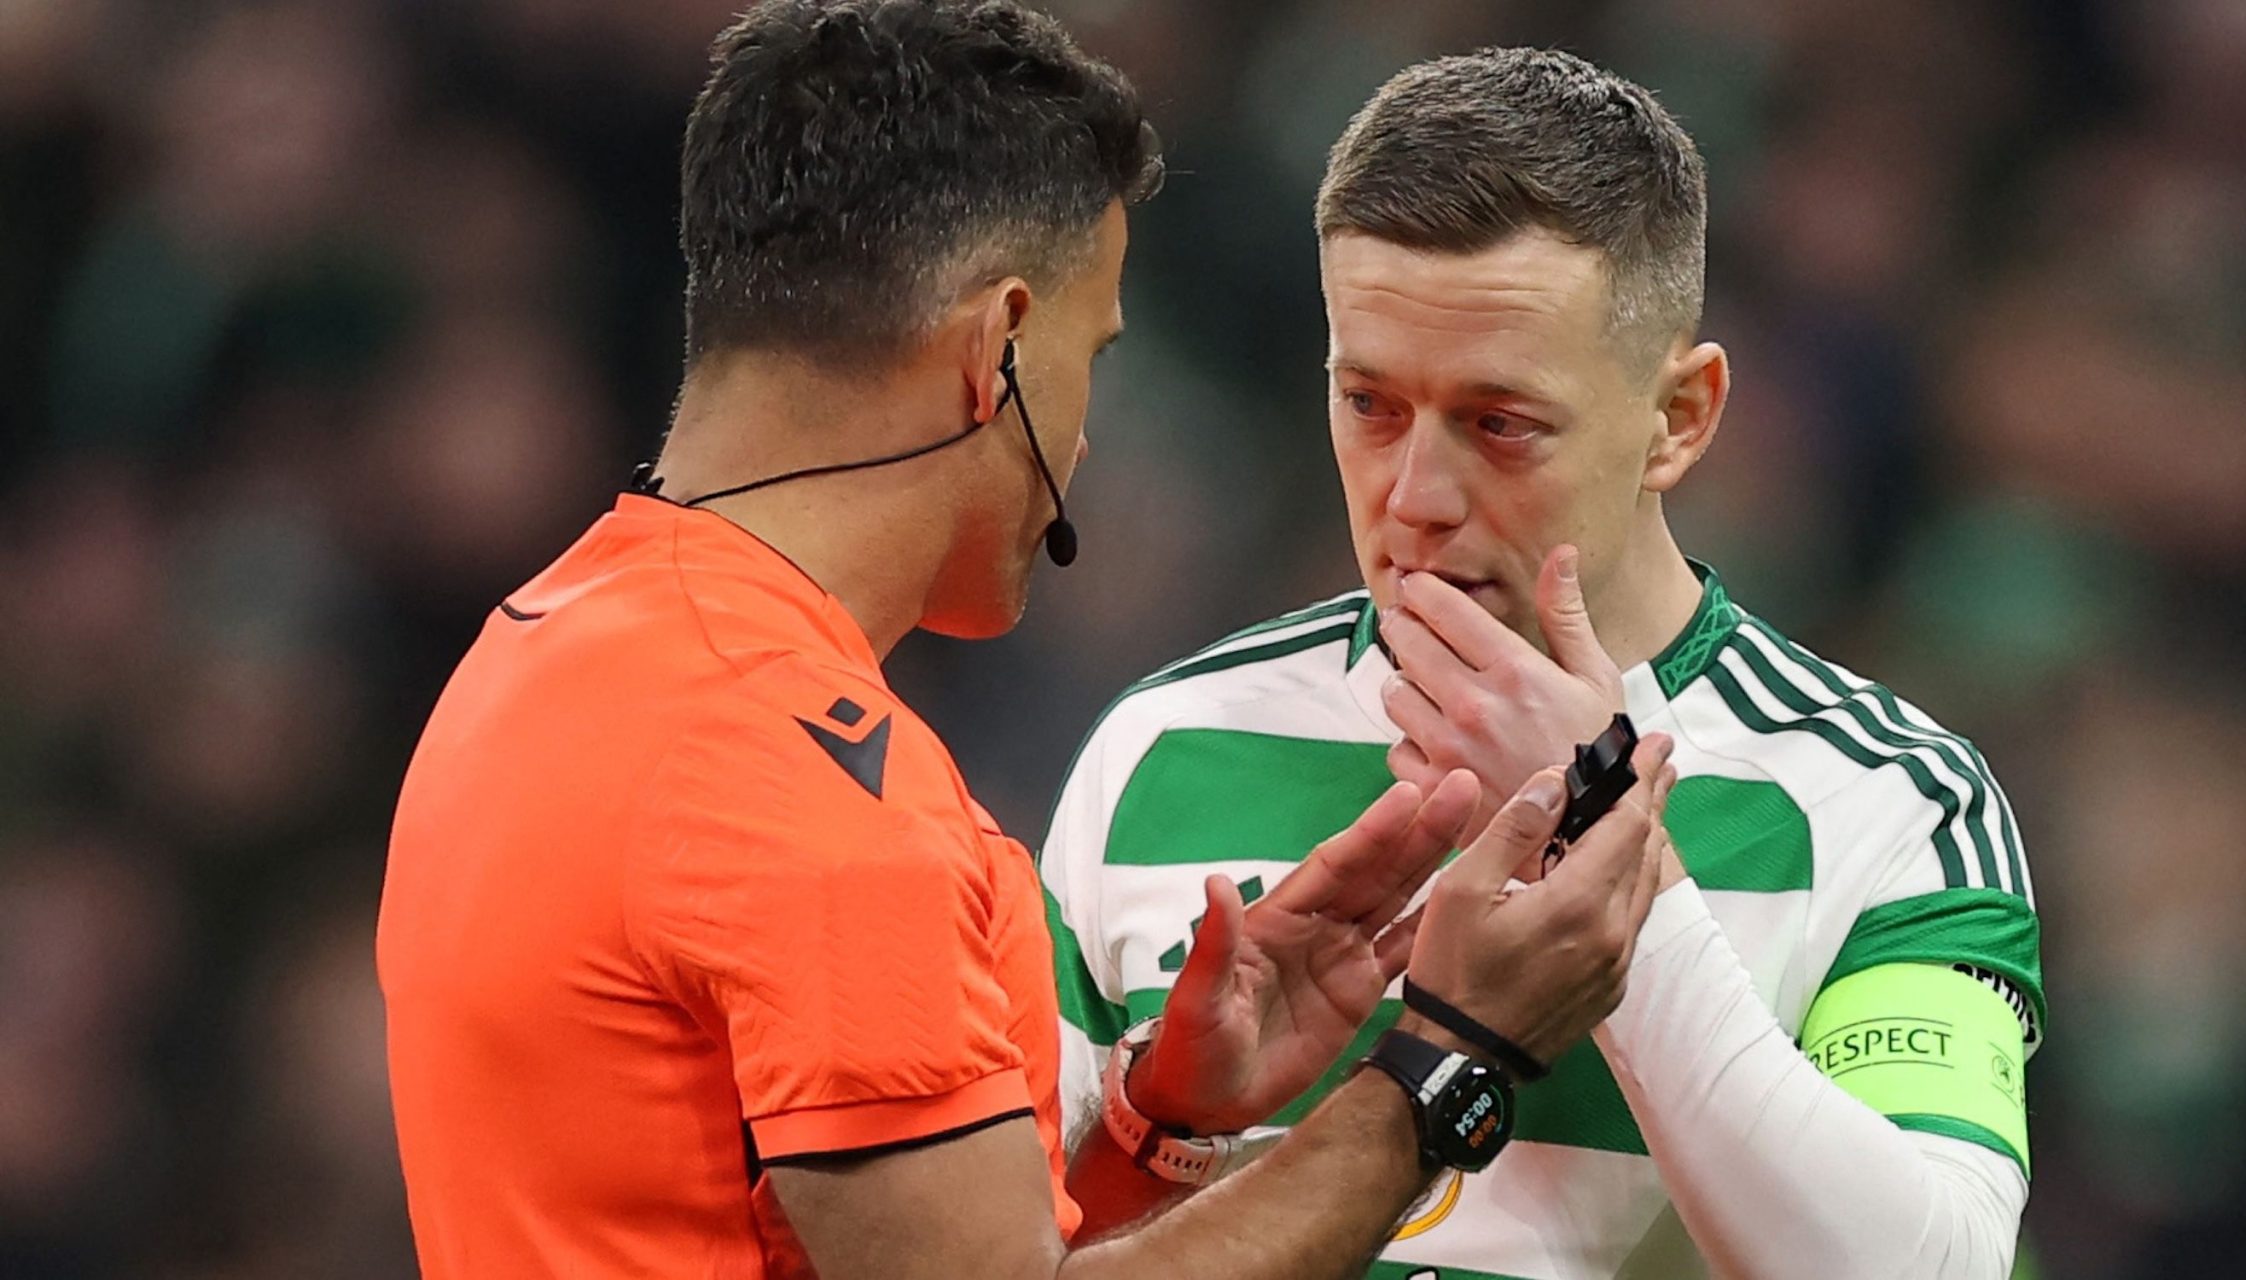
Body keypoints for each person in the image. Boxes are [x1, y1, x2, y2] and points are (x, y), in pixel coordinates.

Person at [375, 6, 1676, 1278]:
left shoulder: (529, 655)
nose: (1088, 436)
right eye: (1088, 353)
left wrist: (1157, 1121)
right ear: (996, 345)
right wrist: (1445, 1060)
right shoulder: (809, 799)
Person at [1043, 49, 2042, 1279]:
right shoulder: (1159, 750)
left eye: (1499, 423)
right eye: (1369, 404)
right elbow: (1000, 1253)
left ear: (1679, 417)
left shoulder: (1888, 798)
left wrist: (1605, 845)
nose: (1414, 496)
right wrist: (1162, 1120)